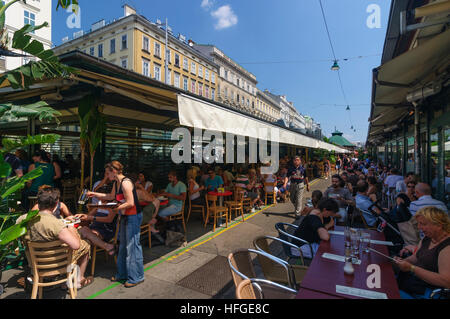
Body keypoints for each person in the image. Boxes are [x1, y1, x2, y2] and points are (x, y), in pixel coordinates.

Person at [18, 187, 93, 289]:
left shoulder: (22, 220)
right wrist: (71, 227)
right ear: (56, 204)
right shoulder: (56, 224)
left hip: (35, 264)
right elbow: (76, 245)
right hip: (57, 265)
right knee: (86, 244)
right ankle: (79, 279)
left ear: (38, 202)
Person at [87, 161, 144, 288]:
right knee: (123, 245)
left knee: (132, 246)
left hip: (133, 216)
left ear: (114, 171)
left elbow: (130, 202)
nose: (107, 176)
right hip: (124, 215)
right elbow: (110, 196)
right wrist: (94, 194)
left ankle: (136, 277)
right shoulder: (116, 183)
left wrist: (116, 209)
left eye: (108, 173)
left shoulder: (126, 182)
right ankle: (122, 274)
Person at [394, 207, 450, 298]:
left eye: (423, 224)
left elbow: (446, 281)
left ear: (439, 225)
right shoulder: (428, 238)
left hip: (428, 292)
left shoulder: (447, 247)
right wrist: (398, 262)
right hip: (414, 284)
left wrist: (412, 268)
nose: (419, 228)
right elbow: (416, 258)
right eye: (419, 224)